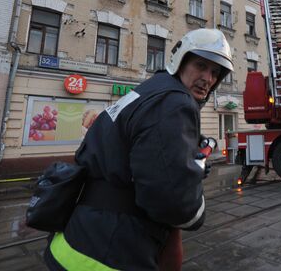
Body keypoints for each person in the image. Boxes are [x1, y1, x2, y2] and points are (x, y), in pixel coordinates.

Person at [44, 28, 233, 270]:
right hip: (110, 253)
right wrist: (192, 189)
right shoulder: (175, 102)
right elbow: (173, 203)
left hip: (73, 242)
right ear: (180, 60)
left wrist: (183, 160)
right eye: (200, 65)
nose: (208, 78)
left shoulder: (147, 91)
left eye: (215, 72)